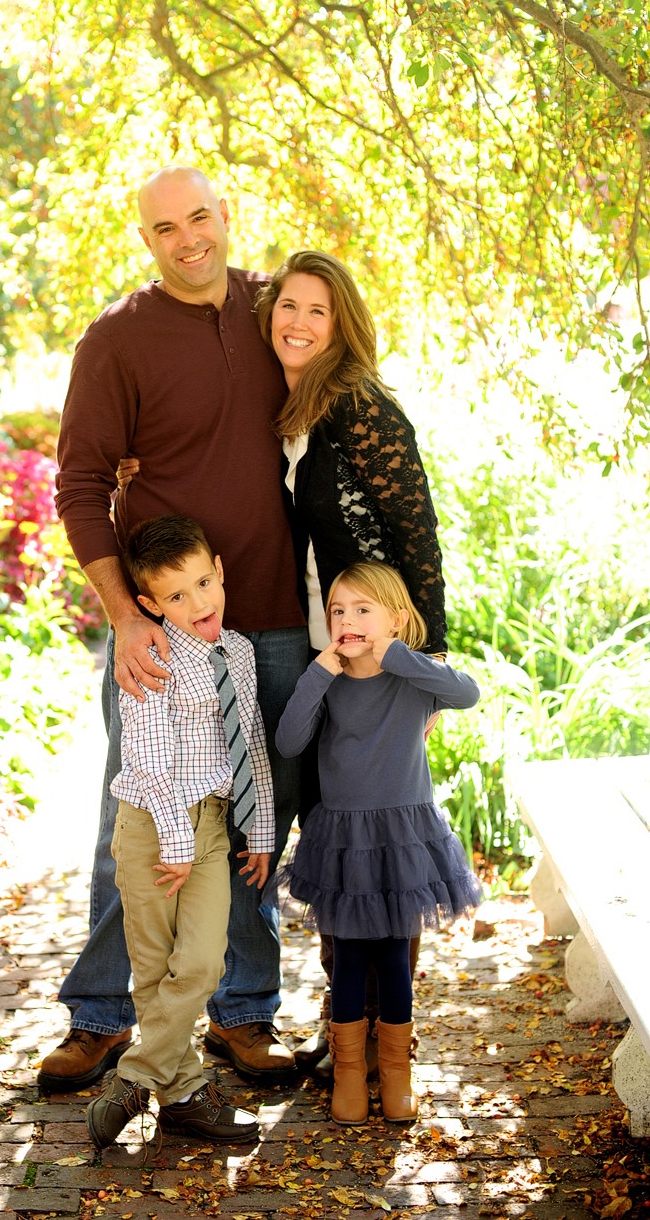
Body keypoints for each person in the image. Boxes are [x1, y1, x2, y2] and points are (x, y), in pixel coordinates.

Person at [41, 166, 308, 1094]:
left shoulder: (276, 311)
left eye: (200, 216)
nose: (189, 237)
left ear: (226, 214)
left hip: (271, 614)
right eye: (166, 227)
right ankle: (103, 1016)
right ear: (147, 241)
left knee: (248, 818)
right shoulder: (115, 341)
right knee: (139, 816)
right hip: (160, 632)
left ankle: (244, 1013)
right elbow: (77, 486)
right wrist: (125, 617)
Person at [254, 250, 448, 1077]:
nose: (296, 322)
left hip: (378, 663)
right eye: (286, 306)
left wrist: (425, 653)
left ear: (342, 326)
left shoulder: (362, 406)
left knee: (379, 844)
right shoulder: (289, 409)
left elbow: (418, 533)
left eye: (316, 311)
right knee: (335, 838)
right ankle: (346, 1029)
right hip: (319, 652)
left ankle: (385, 1037)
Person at [86, 515, 272, 1148]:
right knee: (154, 966)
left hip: (213, 827)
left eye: (202, 583)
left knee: (200, 960)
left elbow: (250, 745)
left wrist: (264, 831)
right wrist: (175, 841)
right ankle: (184, 1093)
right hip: (150, 830)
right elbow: (146, 758)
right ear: (148, 605)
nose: (198, 604)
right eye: (175, 596)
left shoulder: (240, 653)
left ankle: (136, 1075)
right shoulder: (150, 653)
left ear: (219, 569)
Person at [275, 561, 482, 1125]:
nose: (346, 619)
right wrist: (318, 672)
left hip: (402, 839)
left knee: (394, 955)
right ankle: (347, 1074)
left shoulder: (413, 678)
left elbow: (469, 693)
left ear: (393, 618)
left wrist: (396, 654)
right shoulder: (331, 679)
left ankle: (396, 1075)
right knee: (346, 959)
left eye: (362, 609)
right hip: (344, 839)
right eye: (338, 610)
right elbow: (289, 740)